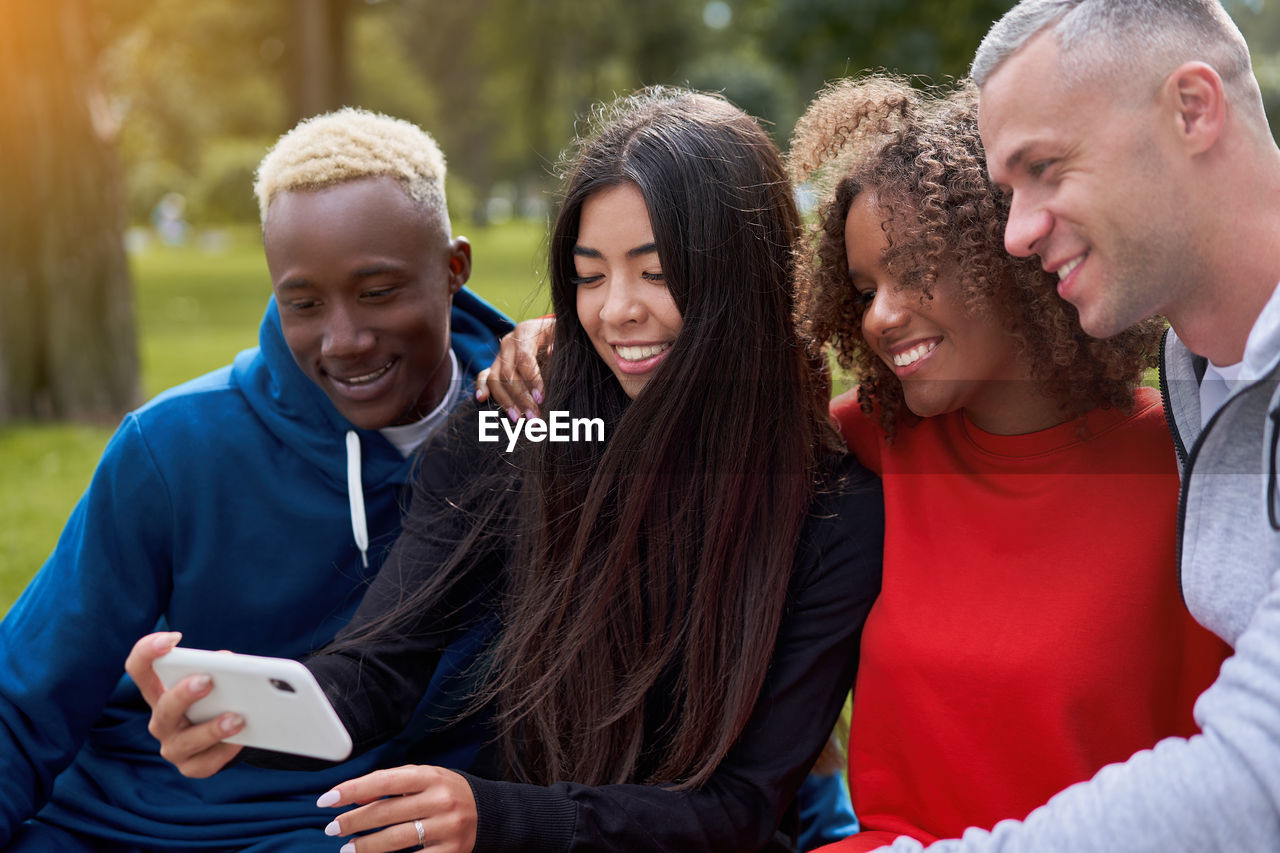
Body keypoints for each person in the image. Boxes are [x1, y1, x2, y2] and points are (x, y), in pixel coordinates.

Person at [130, 86, 885, 853]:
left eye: (656, 273)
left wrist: (502, 818)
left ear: (743, 276)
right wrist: (243, 710)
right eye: (591, 276)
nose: (616, 309)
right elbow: (376, 671)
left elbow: (740, 809)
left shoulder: (833, 511)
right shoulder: (522, 428)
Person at [0, 107, 511, 851]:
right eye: (303, 303)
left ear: (454, 267)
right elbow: (23, 700)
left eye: (377, 291)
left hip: (346, 832)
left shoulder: (531, 434)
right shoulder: (172, 447)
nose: (345, 339)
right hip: (116, 819)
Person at [843, 0, 1280, 849]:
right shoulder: (1211, 377)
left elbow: (1257, 779)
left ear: (1193, 109)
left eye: (1046, 167)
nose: (1013, 235)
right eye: (1007, 191)